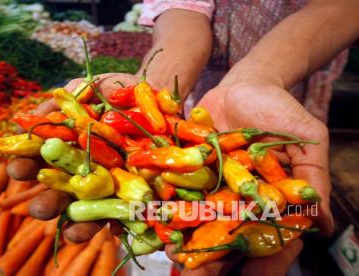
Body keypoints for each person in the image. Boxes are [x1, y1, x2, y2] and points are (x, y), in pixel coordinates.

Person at [30, 0, 359, 274]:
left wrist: (263, 76)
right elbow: (182, 11)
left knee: (262, 203)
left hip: (269, 104)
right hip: (199, 111)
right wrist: (151, 88)